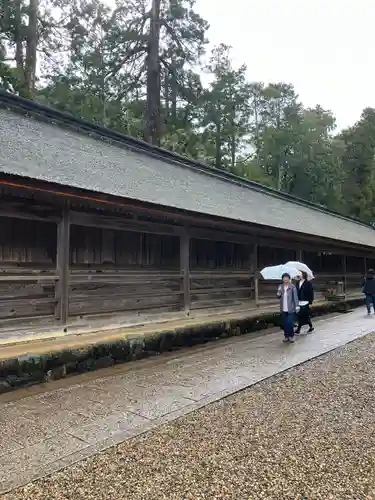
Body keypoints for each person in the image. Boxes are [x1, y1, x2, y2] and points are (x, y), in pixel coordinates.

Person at [277, 273, 300, 343]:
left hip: (291, 308)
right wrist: (279, 293)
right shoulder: (280, 286)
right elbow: (278, 296)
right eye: (284, 278)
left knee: (289, 323)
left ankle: (291, 336)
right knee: (285, 323)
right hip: (283, 308)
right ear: (282, 279)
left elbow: (295, 297)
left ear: (289, 278)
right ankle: (286, 336)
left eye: (287, 277)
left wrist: (297, 306)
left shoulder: (292, 286)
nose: (285, 279)